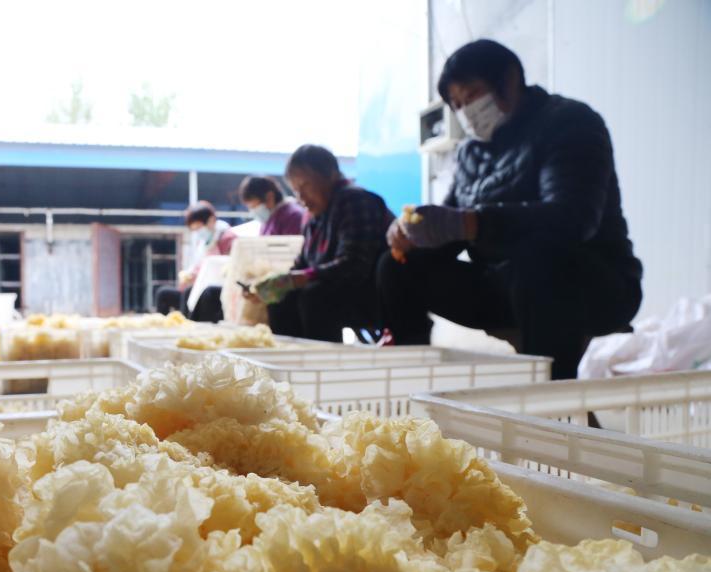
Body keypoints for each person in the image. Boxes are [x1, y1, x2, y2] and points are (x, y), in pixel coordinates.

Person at [377, 39, 643, 379]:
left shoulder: (570, 122)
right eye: (457, 105)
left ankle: (550, 398)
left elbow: (572, 218)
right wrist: (416, 235)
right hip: (504, 286)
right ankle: (410, 382)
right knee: (396, 266)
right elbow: (452, 227)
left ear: (509, 79)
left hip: (590, 283)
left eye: (472, 95)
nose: (467, 111)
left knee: (538, 257)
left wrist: (473, 223)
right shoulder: (469, 153)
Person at [249, 145, 392, 342]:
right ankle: (292, 357)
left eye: (305, 186)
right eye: (296, 190)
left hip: (370, 294)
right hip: (333, 291)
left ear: (331, 175)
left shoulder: (354, 200)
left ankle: (320, 360)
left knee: (314, 296)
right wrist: (275, 285)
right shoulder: (313, 216)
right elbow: (302, 264)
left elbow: (354, 264)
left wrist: (300, 278)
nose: (301, 197)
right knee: (282, 298)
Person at [155, 200, 236, 321]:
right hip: (198, 287)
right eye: (195, 230)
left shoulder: (227, 238)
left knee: (191, 292)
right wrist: (189, 276)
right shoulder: (203, 243)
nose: (198, 233)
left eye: (199, 228)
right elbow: (199, 267)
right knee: (164, 293)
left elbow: (229, 269)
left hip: (217, 289)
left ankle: (187, 326)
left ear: (211, 220)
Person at [238, 175, 306, 236]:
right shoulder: (270, 218)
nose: (253, 212)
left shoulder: (293, 216)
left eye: (254, 207)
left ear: (269, 197)